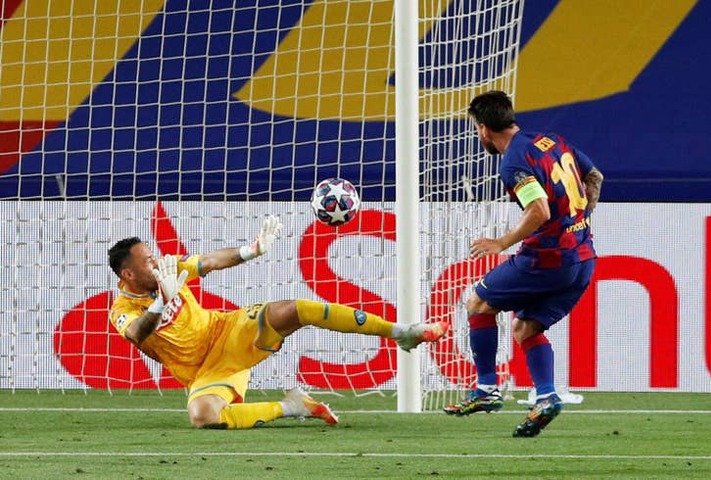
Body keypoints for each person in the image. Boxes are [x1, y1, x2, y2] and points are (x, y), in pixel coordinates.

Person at [107, 215, 448, 429]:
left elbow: (209, 260)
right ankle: (293, 406)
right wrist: (162, 302)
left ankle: (401, 332)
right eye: (148, 261)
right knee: (203, 417)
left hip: (228, 332)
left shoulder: (169, 270)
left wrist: (250, 250)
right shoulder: (122, 308)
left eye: (153, 256)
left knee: (294, 310)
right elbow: (136, 334)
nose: (157, 263)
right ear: (128, 274)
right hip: (205, 372)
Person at [443, 91, 603, 437]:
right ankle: (546, 397)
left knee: (477, 302)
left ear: (484, 129)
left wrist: (500, 243)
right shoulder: (552, 141)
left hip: (546, 259)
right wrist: (579, 222)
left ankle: (486, 389)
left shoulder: (514, 162)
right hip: (583, 258)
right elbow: (595, 177)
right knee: (525, 328)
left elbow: (539, 210)